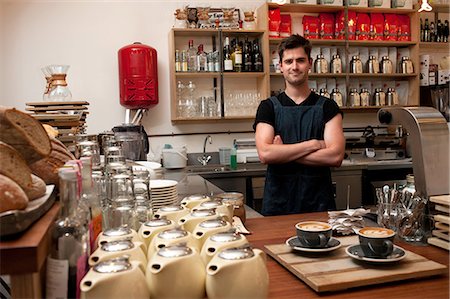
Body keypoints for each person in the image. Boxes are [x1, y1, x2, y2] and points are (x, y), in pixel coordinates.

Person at [253, 34, 345, 216]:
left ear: (310, 63)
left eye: (300, 60)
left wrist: (282, 152)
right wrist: (313, 145)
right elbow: (265, 154)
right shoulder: (268, 107)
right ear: (280, 66)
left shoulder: (328, 107)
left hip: (318, 204)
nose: (294, 67)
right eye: (288, 61)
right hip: (278, 206)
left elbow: (335, 157)